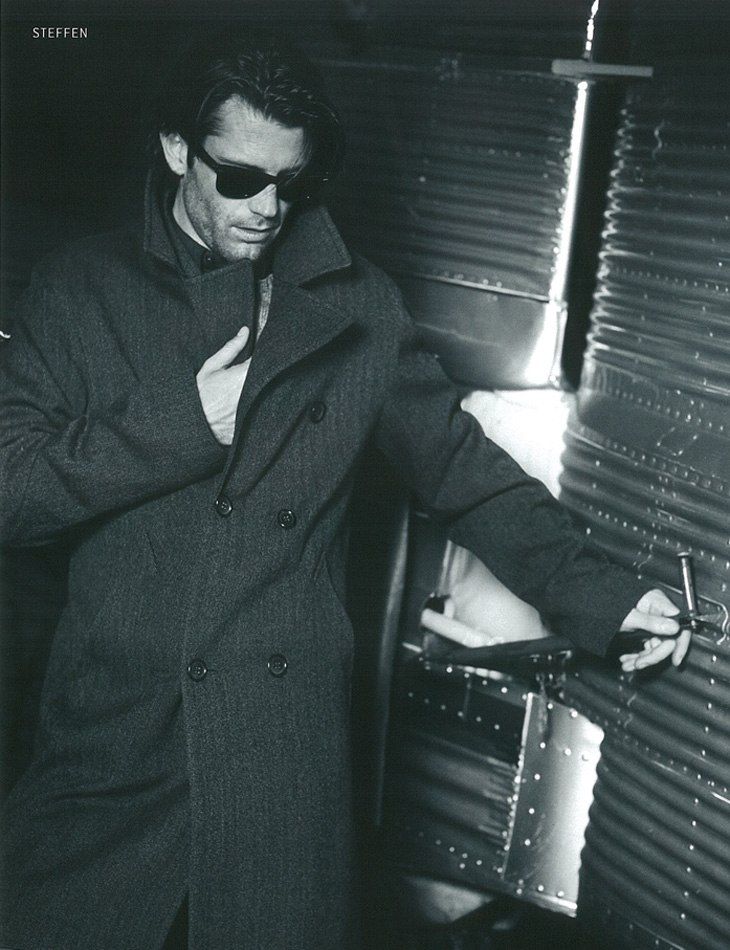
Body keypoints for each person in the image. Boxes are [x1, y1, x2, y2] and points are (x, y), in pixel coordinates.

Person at [0, 29, 689, 950]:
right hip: (111, 744)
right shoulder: (78, 291)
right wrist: (185, 424)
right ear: (175, 150)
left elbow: (464, 474)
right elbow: (12, 490)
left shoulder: (356, 307)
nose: (266, 209)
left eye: (291, 183)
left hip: (278, 759)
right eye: (239, 178)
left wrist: (605, 596)